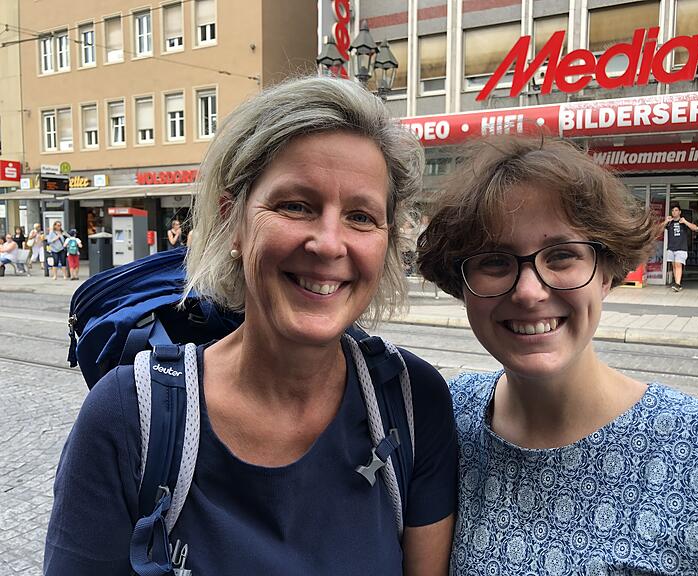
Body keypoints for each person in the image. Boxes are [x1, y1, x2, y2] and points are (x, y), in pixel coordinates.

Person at [44, 76, 457, 575]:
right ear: (233, 221)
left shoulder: (413, 402)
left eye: (361, 217)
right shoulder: (125, 417)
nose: (329, 244)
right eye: (295, 206)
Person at [417, 136, 698, 574]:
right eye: (493, 261)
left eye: (562, 256)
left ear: (607, 272)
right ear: (462, 286)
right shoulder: (441, 421)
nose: (529, 291)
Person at [664, 205, 698, 292]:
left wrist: (685, 222)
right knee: (674, 266)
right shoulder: (670, 222)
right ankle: (677, 283)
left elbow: (696, 228)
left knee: (678, 264)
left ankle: (678, 284)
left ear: (680, 212)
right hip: (671, 248)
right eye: (672, 210)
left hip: (681, 248)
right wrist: (666, 221)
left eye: (676, 210)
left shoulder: (683, 222)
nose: (674, 212)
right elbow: (658, 229)